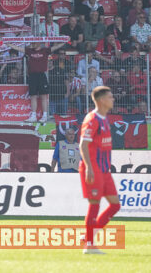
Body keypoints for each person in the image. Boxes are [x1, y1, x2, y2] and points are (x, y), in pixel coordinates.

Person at [79, 86, 120, 255]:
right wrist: (89, 167)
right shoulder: (92, 119)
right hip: (93, 168)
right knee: (94, 204)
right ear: (102, 100)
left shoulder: (104, 119)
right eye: (110, 97)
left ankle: (89, 235)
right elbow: (83, 144)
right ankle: (89, 245)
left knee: (115, 205)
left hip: (104, 169)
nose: (113, 99)